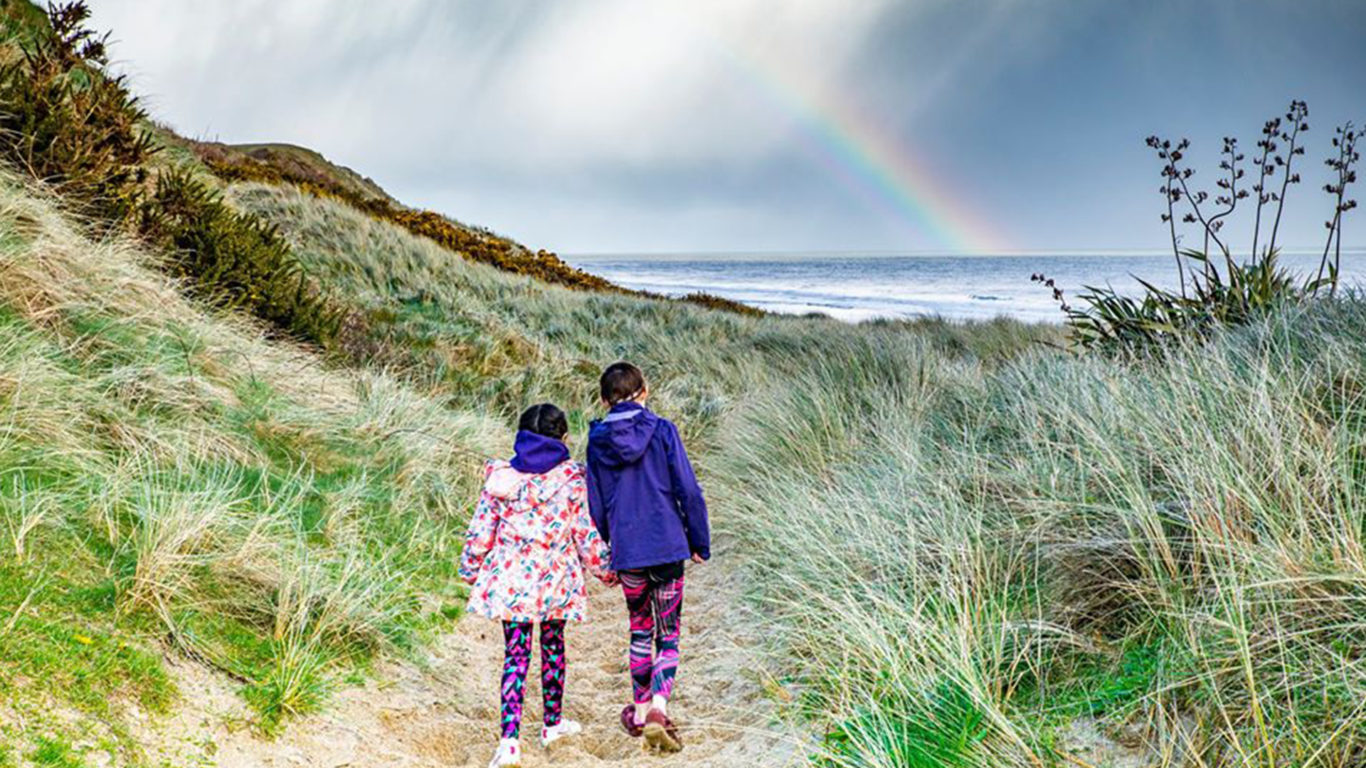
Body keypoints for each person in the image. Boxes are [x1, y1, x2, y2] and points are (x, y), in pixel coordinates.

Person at [459, 403, 614, 768]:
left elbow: (482, 531)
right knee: (554, 647)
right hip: (556, 580)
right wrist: (608, 571)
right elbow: (585, 534)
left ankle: (509, 743)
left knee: (515, 657)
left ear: (520, 437)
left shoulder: (501, 479)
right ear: (564, 438)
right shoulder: (572, 480)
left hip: (512, 581)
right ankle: (552, 724)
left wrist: (470, 568)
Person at [586, 362, 710, 754]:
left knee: (640, 630)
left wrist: (609, 547)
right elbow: (689, 490)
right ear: (645, 391)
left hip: (629, 551)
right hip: (667, 546)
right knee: (668, 635)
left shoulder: (597, 440)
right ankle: (659, 707)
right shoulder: (663, 430)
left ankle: (639, 712)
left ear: (604, 400)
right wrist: (699, 541)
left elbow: (595, 504)